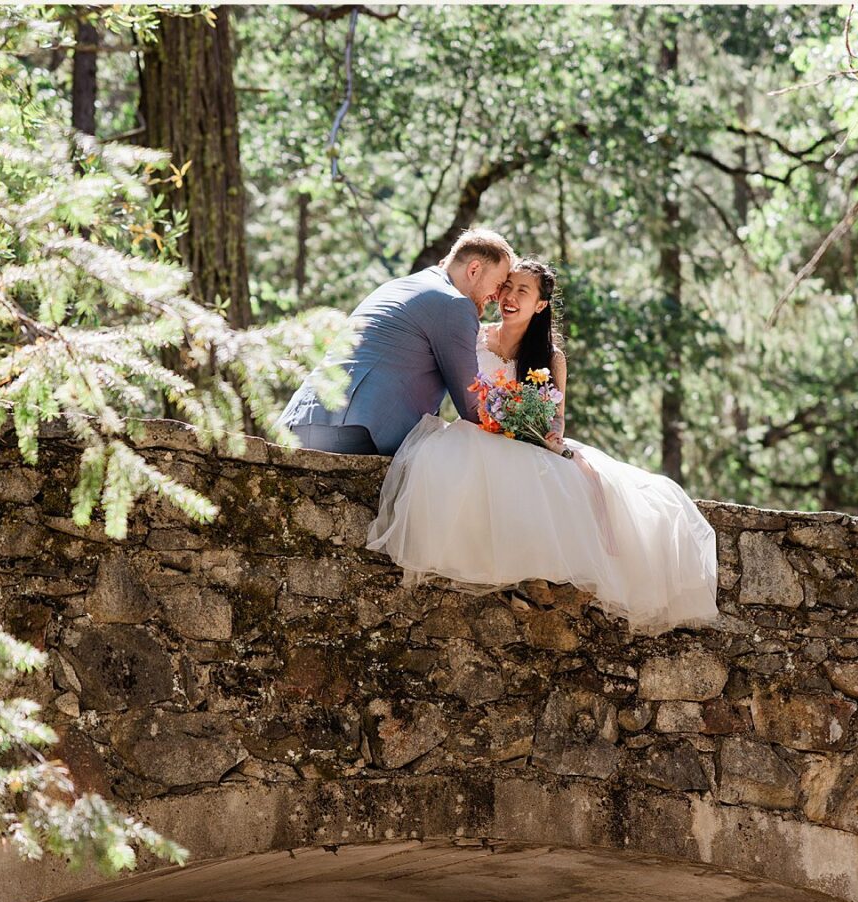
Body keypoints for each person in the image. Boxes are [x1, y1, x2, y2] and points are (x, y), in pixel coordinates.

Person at [366, 259, 719, 635]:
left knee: (577, 479)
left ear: (540, 305)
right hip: (475, 434)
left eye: (523, 291)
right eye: (507, 287)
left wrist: (544, 435)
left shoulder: (551, 358)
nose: (510, 296)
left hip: (526, 439)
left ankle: (538, 576)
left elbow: (556, 418)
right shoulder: (474, 336)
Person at [278, 230, 514, 455]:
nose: (497, 297)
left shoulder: (401, 285)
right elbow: (472, 406)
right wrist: (523, 428)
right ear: (474, 269)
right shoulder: (454, 304)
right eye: (498, 284)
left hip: (299, 420)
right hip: (353, 428)